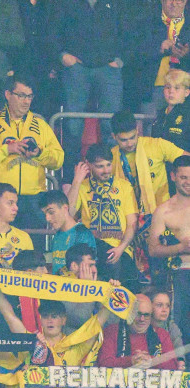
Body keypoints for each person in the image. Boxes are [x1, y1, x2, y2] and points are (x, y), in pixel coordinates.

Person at [51, 0, 128, 180]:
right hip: (76, 69)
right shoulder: (63, 0)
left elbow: (130, 34)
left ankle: (114, 181)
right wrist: (62, 56)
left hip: (109, 70)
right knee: (73, 127)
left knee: (112, 128)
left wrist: (120, 60)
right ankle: (71, 181)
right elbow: (52, 35)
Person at [0, 76, 64, 231]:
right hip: (2, 199)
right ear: (8, 95)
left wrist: (39, 153)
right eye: (21, 96)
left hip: (34, 200)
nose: (26, 101)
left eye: (29, 96)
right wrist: (7, 150)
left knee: (34, 250)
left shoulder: (41, 125)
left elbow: (59, 159)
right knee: (1, 250)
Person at [66, 144, 140, 287]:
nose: (106, 171)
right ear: (88, 165)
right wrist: (76, 180)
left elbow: (132, 223)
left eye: (108, 165)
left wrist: (121, 248)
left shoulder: (124, 186)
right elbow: (68, 214)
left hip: (119, 249)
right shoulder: (82, 186)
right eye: (100, 166)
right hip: (92, 248)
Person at [147, 154, 190, 340]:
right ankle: (182, 364)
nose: (188, 182)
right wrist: (180, 247)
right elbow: (153, 249)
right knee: (178, 323)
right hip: (178, 273)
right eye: (183, 177)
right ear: (173, 177)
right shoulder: (163, 211)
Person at [40, 191, 97, 273]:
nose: (47, 218)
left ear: (65, 208)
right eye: (45, 214)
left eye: (51, 212)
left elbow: (88, 268)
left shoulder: (82, 233)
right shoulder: (57, 236)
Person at [153, 70, 190, 151]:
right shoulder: (161, 114)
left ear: (186, 92)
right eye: (168, 87)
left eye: (177, 88)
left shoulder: (188, 115)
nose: (171, 91)